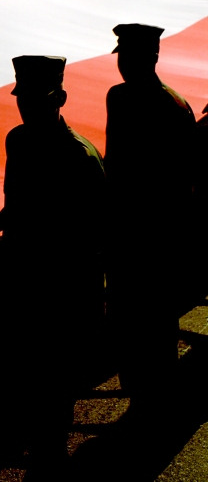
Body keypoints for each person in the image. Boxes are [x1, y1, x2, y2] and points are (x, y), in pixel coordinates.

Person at [0, 55, 107, 476]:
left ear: (60, 97)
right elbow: (16, 205)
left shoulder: (80, 158)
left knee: (53, 385)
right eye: (22, 96)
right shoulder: (19, 140)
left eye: (38, 96)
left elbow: (93, 239)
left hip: (59, 284)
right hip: (23, 273)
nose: (26, 105)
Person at [104, 23, 197, 421]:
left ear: (153, 58)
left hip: (156, 232)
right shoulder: (121, 97)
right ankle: (145, 397)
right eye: (122, 56)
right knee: (132, 316)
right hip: (129, 229)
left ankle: (155, 401)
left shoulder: (172, 108)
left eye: (131, 56)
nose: (124, 64)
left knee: (155, 320)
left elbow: (183, 182)